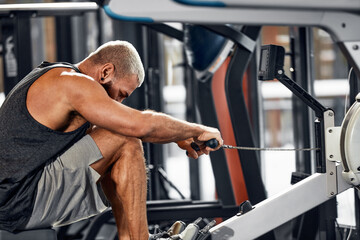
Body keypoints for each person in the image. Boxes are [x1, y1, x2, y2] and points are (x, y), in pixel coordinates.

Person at [0, 40, 223, 240]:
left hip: (14, 198)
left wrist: (177, 137)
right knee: (126, 137)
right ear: (106, 72)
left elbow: (103, 138)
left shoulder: (55, 76)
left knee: (114, 141)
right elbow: (139, 125)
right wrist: (195, 130)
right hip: (18, 202)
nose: (119, 102)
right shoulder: (74, 84)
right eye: (122, 94)